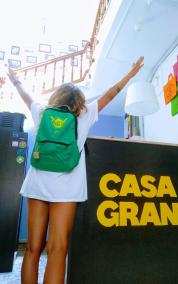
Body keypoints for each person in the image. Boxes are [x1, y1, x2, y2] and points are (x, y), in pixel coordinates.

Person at [6, 55, 144, 284]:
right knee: (58, 249)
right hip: (66, 189)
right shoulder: (85, 114)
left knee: (32, 248)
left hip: (37, 185)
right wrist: (129, 75)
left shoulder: (41, 112)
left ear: (56, 97)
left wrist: (16, 82)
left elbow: (26, 96)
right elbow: (110, 93)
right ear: (78, 100)